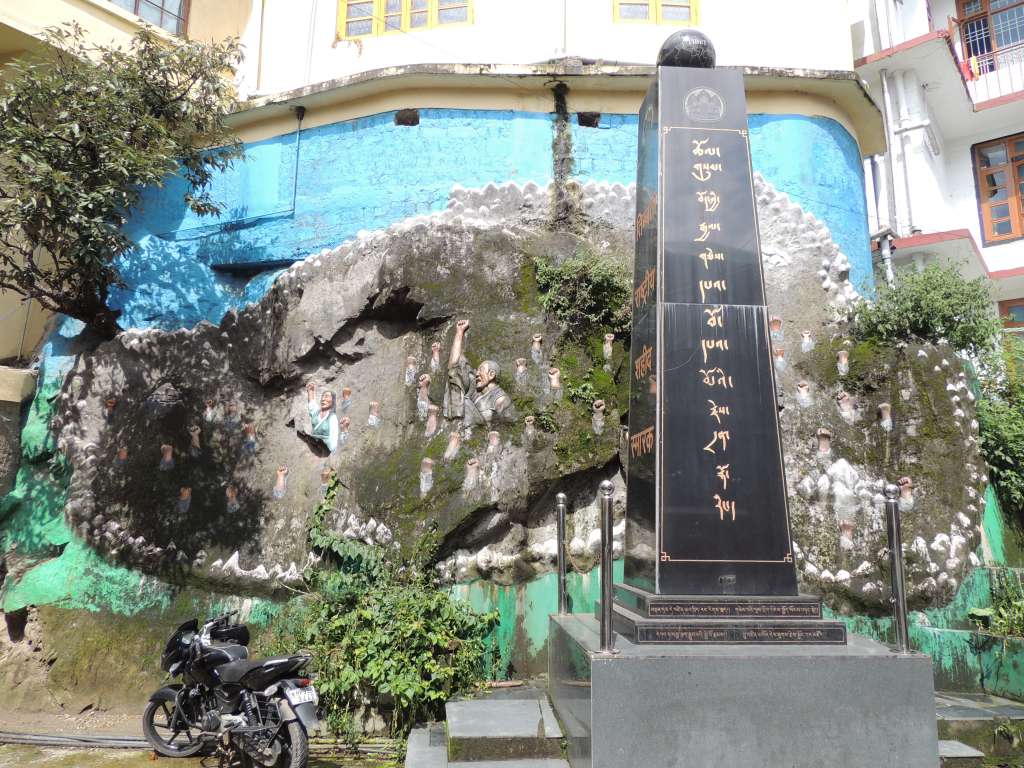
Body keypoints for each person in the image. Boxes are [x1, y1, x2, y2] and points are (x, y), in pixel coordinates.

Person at [443, 319, 513, 428]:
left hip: (483, 437)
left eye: (481, 371)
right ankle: (454, 422)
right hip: (463, 430)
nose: (477, 374)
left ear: (491, 375)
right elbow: (455, 367)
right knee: (456, 376)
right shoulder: (474, 391)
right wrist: (459, 333)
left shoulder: (501, 399)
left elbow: (508, 426)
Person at [306, 383, 339, 452]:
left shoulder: (332, 418)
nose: (323, 399)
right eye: (322, 397)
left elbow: (334, 438)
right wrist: (310, 391)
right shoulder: (316, 412)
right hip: (314, 447)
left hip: (325, 450)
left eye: (326, 397)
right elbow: (311, 405)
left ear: (332, 401)